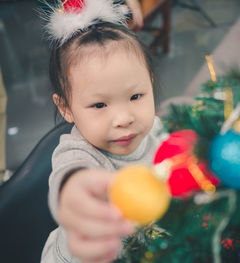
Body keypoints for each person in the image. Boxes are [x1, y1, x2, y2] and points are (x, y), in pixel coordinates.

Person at [40, 0, 167, 262]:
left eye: (135, 96)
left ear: (151, 83)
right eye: (99, 104)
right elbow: (70, 176)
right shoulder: (79, 152)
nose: (123, 119)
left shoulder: (156, 129)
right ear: (66, 108)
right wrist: (73, 193)